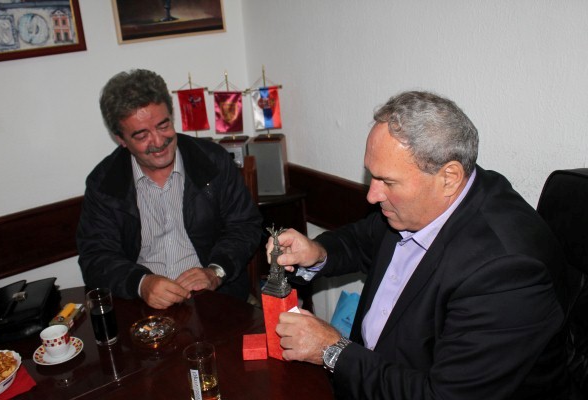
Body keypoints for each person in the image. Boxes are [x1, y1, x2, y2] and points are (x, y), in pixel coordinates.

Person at [269, 91, 569, 399]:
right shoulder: (414, 205)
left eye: (387, 182)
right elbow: (362, 239)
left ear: (449, 177)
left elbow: (443, 396)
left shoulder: (506, 273)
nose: (372, 195)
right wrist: (317, 252)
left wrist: (332, 350)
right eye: (372, 177)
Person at [77, 69, 262, 309]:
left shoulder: (212, 161)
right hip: (143, 306)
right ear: (120, 139)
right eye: (141, 135)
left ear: (171, 115)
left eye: (163, 125)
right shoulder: (104, 183)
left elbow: (245, 226)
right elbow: (95, 257)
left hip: (215, 299)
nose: (158, 141)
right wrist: (141, 283)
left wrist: (216, 271)